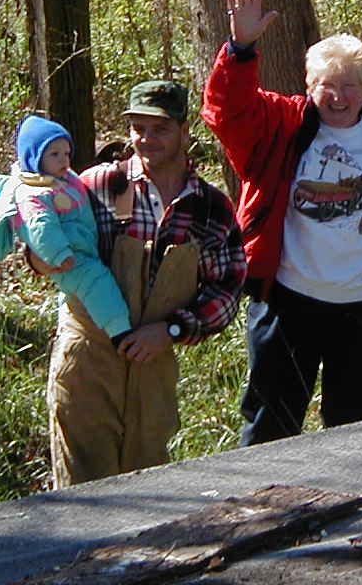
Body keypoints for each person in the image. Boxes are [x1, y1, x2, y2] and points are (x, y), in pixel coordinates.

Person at [202, 0, 362, 445]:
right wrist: (240, 50)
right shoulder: (281, 124)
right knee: (271, 427)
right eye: (327, 85)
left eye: (349, 86)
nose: (338, 97)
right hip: (289, 301)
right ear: (308, 85)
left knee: (356, 432)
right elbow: (226, 112)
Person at [31, 80, 247, 487]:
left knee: (147, 486)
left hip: (154, 361)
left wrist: (172, 329)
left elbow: (227, 290)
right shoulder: (96, 185)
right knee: (83, 492)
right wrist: (37, 258)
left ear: (185, 132)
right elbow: (38, 230)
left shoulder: (209, 207)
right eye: (138, 128)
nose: (147, 139)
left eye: (160, 129)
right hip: (88, 357)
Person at [0, 115, 132, 344]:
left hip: (82, 249)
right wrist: (59, 254)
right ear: (35, 158)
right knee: (97, 283)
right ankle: (120, 332)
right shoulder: (33, 194)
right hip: (68, 256)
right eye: (54, 154)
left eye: (67, 153)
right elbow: (41, 228)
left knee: (82, 292)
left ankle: (87, 331)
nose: (64, 160)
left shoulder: (63, 179)